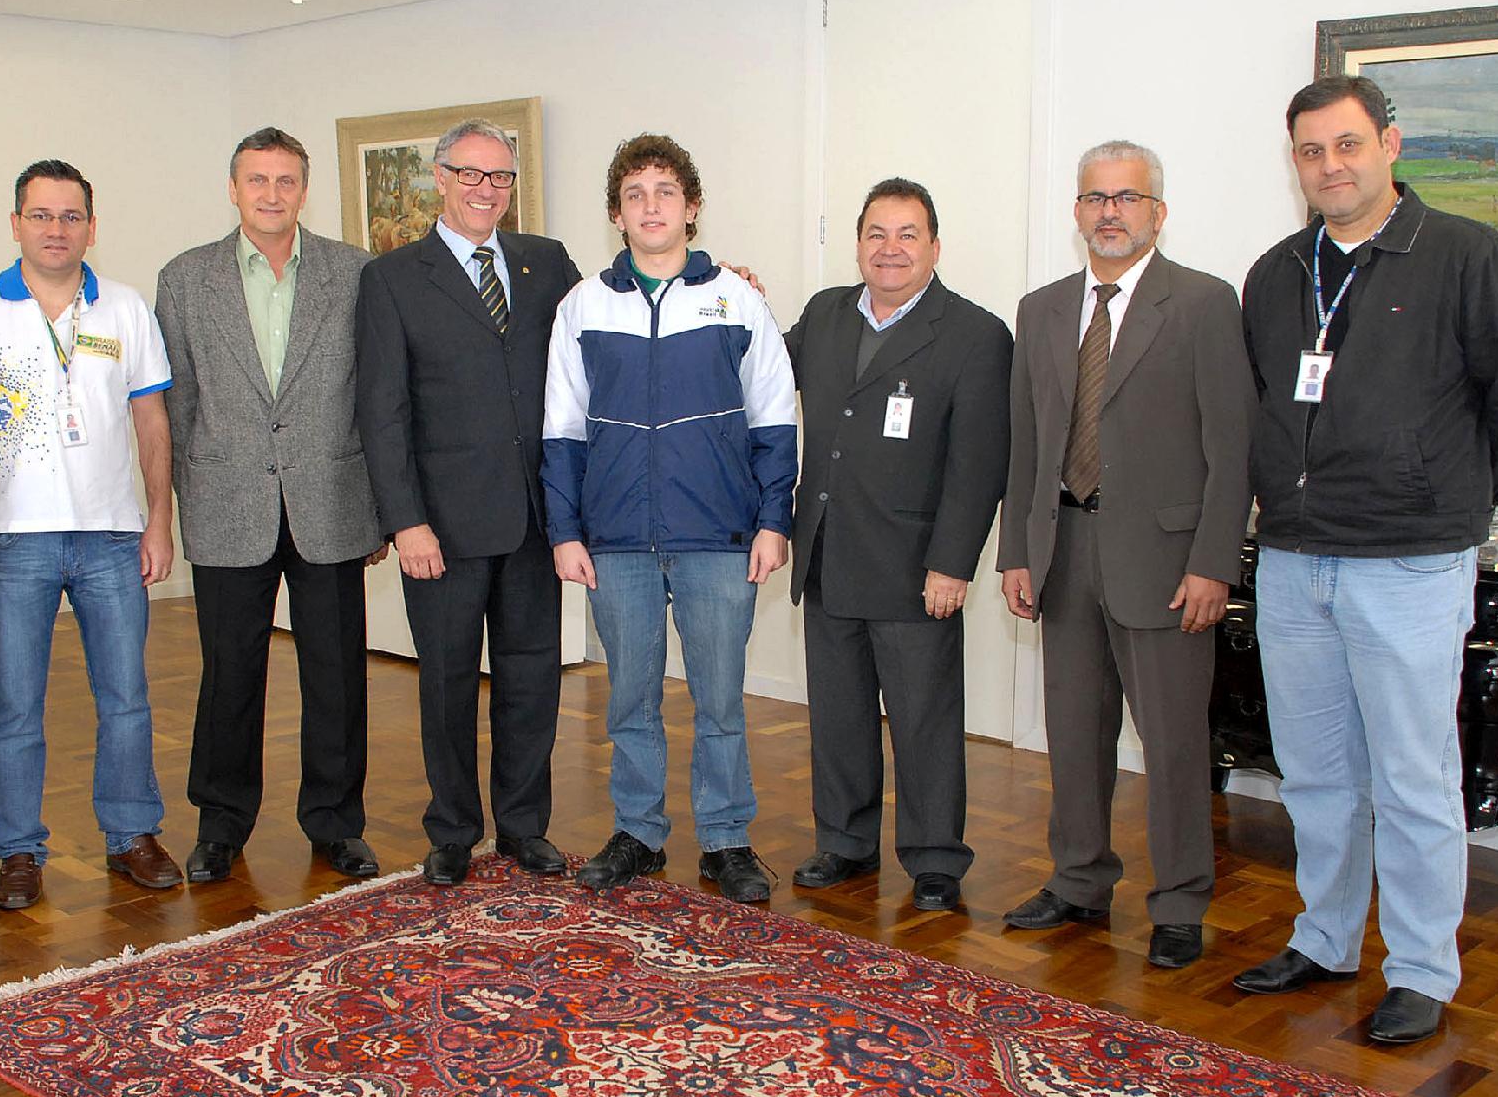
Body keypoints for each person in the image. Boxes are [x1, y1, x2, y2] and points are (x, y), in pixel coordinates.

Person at [1234, 75, 1498, 1042]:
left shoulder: (1471, 257)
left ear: (1390, 143)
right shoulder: (1276, 273)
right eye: (1310, 151)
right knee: (1314, 772)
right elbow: (1264, 404)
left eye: (1347, 144)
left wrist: (1454, 497)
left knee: (1413, 777)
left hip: (1411, 562)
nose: (1329, 166)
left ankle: (1421, 967)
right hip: (1294, 558)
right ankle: (1326, 937)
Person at [997, 141, 1254, 968]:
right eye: (1095, 198)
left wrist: (1214, 561)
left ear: (1157, 212)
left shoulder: (1204, 303)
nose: (1110, 212)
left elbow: (1232, 447)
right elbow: (1026, 443)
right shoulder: (1041, 309)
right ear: (1077, 212)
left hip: (1167, 562)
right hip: (1064, 547)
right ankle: (1078, 879)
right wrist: (1017, 549)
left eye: (1127, 198)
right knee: (1073, 731)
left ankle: (1179, 900)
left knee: (1173, 744)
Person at [543, 133, 798, 904]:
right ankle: (638, 832)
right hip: (616, 539)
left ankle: (725, 838)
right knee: (630, 699)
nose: (650, 206)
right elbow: (562, 430)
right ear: (616, 214)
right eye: (635, 194)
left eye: (665, 191)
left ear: (691, 207)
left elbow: (775, 418)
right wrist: (565, 532)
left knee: (720, 699)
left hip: (719, 537)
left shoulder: (739, 301)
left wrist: (774, 520)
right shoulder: (583, 307)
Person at [0, 160, 180, 909]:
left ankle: (132, 834)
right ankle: (18, 849)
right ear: (15, 223)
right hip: (15, 541)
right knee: (14, 705)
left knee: (127, 697)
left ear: (91, 227)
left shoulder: (125, 307)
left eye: (71, 216)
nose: (56, 229)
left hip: (112, 537)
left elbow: (152, 422)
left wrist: (159, 519)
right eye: (41, 215)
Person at [156, 128, 385, 885]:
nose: (271, 193)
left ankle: (337, 822)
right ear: (233, 189)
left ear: (304, 190)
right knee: (229, 676)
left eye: (286, 180)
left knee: (337, 675)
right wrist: (191, 497)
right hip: (228, 504)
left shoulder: (354, 273)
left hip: (331, 501)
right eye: (257, 179)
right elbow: (179, 402)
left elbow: (375, 393)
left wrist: (378, 506)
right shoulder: (185, 279)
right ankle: (220, 824)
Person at [356, 119, 581, 887]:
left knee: (532, 679)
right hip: (442, 528)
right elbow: (382, 412)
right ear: (441, 178)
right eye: (471, 174)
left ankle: (523, 825)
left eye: (500, 177)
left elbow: (606, 320)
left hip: (534, 519)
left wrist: (715, 277)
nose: (487, 190)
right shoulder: (392, 279)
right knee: (448, 682)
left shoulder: (547, 263)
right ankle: (452, 829)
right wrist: (405, 520)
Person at [786, 177, 1012, 913]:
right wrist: (732, 299)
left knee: (924, 721)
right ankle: (844, 842)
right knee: (839, 716)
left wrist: (953, 563)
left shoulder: (975, 335)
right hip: (828, 553)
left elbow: (979, 464)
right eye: (876, 234)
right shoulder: (824, 315)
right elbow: (760, 367)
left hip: (915, 567)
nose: (890, 249)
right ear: (857, 244)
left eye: (907, 234)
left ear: (935, 247)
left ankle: (935, 856)